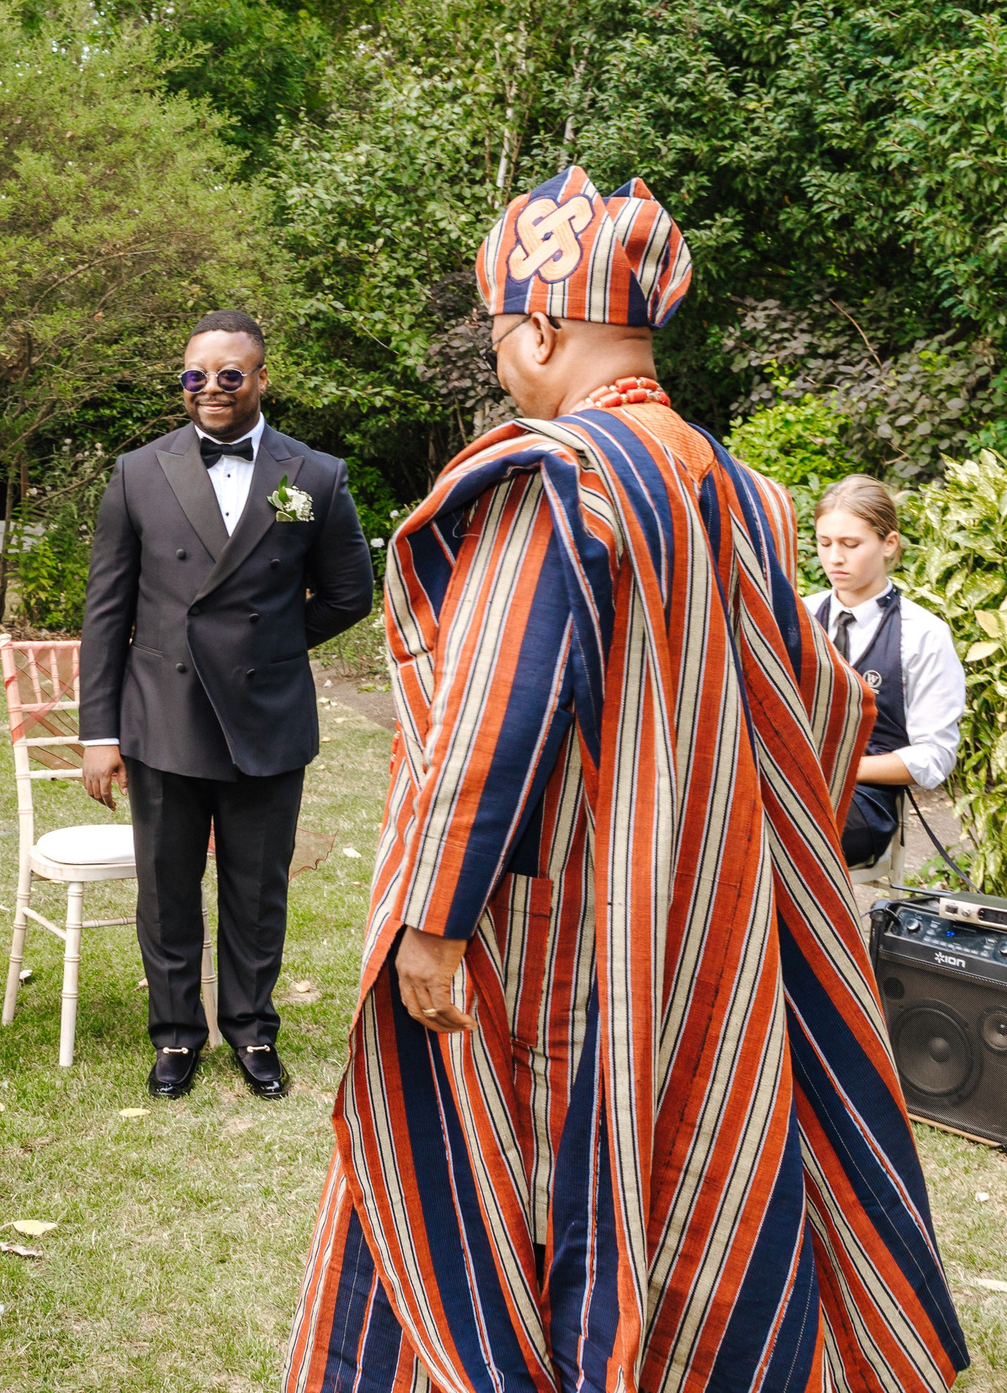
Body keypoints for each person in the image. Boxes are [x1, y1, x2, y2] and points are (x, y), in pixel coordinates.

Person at [286, 168, 966, 1393]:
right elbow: (817, 703)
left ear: (540, 328)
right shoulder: (736, 486)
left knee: (531, 1189)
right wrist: (712, 825)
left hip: (561, 936)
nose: (501, 366)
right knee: (685, 1169)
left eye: (501, 339)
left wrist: (431, 916)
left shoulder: (557, 475)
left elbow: (496, 707)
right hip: (708, 918)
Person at [78, 309, 374, 1102]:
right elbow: (106, 612)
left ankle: (250, 1031)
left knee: (256, 888)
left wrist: (271, 643)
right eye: (194, 376)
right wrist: (97, 731)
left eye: (228, 375)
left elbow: (350, 593)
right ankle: (176, 1036)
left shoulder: (314, 475)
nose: (209, 389)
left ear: (261, 379)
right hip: (161, 716)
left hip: (264, 715)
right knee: (167, 887)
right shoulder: (139, 472)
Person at [808, 474, 967, 868]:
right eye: (824, 543)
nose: (834, 558)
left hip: (863, 802)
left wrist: (839, 768)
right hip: (785, 785)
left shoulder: (923, 634)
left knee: (775, 839)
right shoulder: (797, 615)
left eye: (850, 544)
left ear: (889, 544)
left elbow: (935, 757)